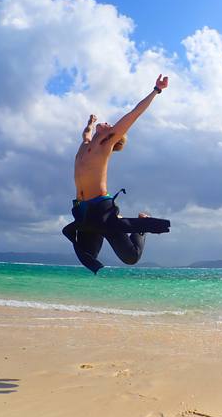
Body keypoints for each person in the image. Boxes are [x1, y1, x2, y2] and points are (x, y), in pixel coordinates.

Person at [62, 75, 171, 273]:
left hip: (101, 210)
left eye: (110, 124)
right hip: (83, 210)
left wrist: (156, 89)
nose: (106, 122)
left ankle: (141, 224)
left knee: (131, 258)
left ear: (112, 134)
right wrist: (89, 121)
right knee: (87, 255)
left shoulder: (106, 145)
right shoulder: (85, 144)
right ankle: (118, 222)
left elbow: (134, 114)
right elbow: (86, 133)